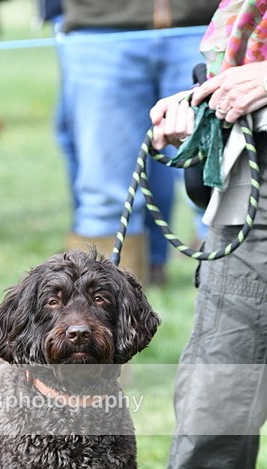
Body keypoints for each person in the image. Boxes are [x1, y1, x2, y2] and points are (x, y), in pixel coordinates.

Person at [125, 0, 267, 469]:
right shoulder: (238, 14)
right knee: (212, 421)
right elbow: (202, 168)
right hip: (249, 219)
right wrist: (189, 120)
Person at [58, 0, 219, 284]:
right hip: (101, 27)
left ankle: (232, 307)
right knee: (103, 197)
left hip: (210, 22)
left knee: (222, 182)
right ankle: (97, 313)